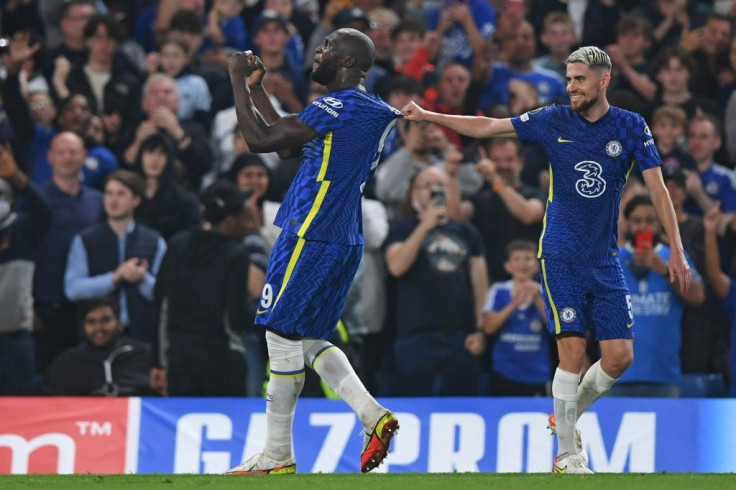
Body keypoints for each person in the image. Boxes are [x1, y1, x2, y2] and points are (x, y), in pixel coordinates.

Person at [402, 45, 693, 474]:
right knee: (571, 352)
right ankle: (566, 455)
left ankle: (566, 416)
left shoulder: (631, 126)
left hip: (605, 258)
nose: (571, 86)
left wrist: (678, 250)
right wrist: (430, 116)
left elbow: (658, 190)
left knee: (619, 357)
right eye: (568, 78)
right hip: (559, 252)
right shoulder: (552, 119)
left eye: (579, 79)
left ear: (603, 81)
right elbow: (486, 127)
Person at [226, 28, 402, 474]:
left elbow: (260, 141)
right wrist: (258, 89)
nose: (315, 53)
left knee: (279, 335)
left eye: (324, 47)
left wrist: (234, 80)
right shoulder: (369, 109)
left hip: (310, 229)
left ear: (345, 61)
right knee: (309, 339)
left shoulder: (337, 105)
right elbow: (289, 146)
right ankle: (372, 415)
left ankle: (276, 454)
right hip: (344, 237)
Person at [384, 166, 488, 397]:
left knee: (461, 406)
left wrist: (481, 330)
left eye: (440, 185)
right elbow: (396, 267)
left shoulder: (468, 232)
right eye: (426, 185)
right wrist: (425, 225)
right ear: (413, 195)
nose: (434, 190)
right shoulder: (399, 229)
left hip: (461, 337)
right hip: (415, 339)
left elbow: (480, 286)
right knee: (412, 407)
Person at [152, 180, 259, 397]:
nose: (247, 219)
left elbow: (160, 307)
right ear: (229, 220)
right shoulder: (235, 254)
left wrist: (159, 362)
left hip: (179, 361)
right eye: (242, 213)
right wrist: (267, 315)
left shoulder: (176, 244)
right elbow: (236, 317)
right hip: (222, 361)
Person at [610, 195, 704, 397]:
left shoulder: (675, 256)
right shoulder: (613, 259)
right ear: (627, 224)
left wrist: (662, 269)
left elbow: (698, 295)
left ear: (660, 223)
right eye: (637, 221)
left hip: (664, 376)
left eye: (650, 220)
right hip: (615, 376)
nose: (643, 226)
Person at [64, 170, 166, 342]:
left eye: (121, 194)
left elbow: (166, 294)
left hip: (142, 335)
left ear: (136, 200)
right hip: (97, 337)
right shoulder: (85, 239)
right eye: (109, 193)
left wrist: (142, 278)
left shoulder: (155, 241)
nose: (113, 200)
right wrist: (114, 277)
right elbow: (72, 289)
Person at [0, 146, 52, 395]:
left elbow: (44, 212)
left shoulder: (22, 230)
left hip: (15, 334)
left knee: (20, 402)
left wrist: (18, 179)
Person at [38, 296, 157, 396]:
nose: (98, 328)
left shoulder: (144, 355)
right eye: (91, 322)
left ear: (119, 323)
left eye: (105, 320)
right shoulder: (65, 364)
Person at [481, 240, 551, 397]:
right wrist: (514, 304)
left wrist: (538, 300)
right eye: (517, 259)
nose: (522, 264)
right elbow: (488, 328)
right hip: (503, 372)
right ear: (508, 266)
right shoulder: (498, 290)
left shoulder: (546, 292)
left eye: (527, 259)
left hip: (537, 374)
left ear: (536, 265)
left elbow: (555, 329)